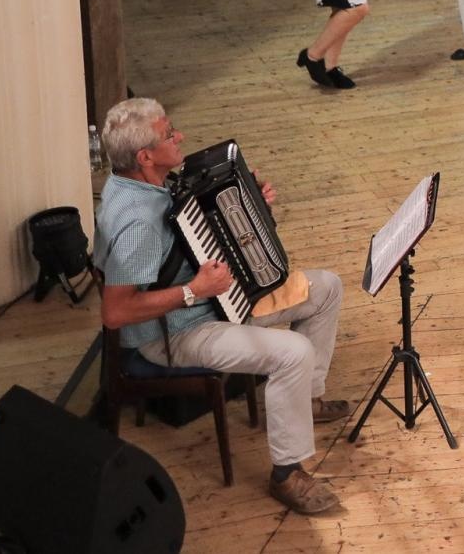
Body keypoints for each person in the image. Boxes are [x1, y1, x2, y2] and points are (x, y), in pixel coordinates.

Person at [95, 97, 349, 515]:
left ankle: (306, 400)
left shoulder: (148, 183)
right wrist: (194, 290)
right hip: (174, 331)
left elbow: (199, 231)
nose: (180, 136)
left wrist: (253, 207)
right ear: (144, 157)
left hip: (214, 299)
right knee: (293, 353)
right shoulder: (137, 223)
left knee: (326, 288)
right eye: (168, 134)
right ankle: (287, 473)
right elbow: (115, 313)